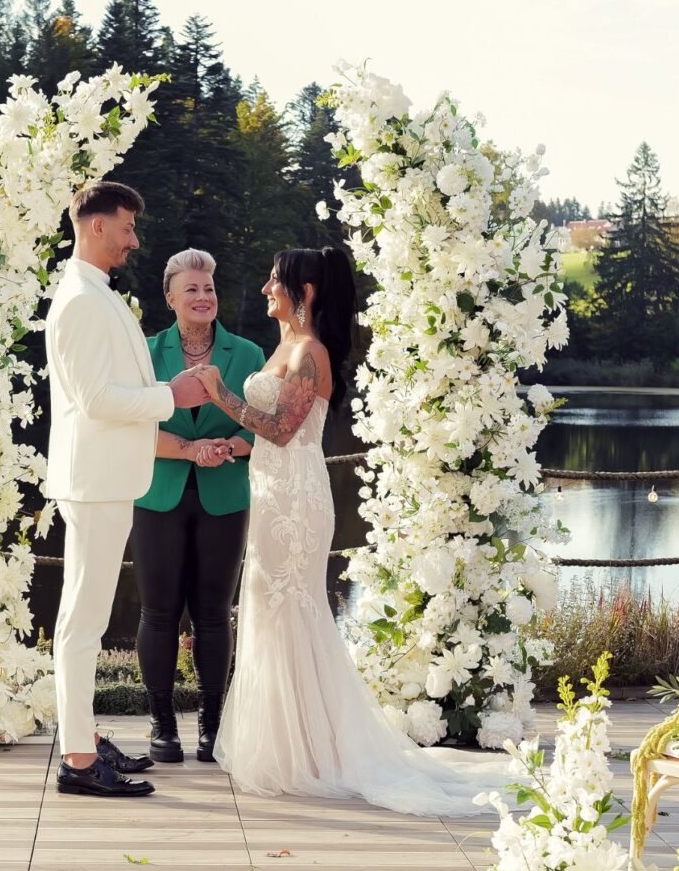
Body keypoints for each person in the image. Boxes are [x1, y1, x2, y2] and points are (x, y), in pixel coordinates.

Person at [195, 245, 499, 816]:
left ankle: (314, 752)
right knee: (266, 608)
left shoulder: (311, 352)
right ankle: (292, 744)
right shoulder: (288, 345)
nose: (265, 289)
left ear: (304, 293)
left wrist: (220, 394)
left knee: (290, 609)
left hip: (295, 498)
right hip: (271, 494)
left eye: (274, 280)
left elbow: (282, 429)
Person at [43, 180, 209, 799]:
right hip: (95, 481)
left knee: (84, 618)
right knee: (82, 623)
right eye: (127, 228)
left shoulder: (94, 293)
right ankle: (80, 763)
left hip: (107, 477)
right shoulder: (82, 301)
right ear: (94, 226)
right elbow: (95, 400)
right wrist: (175, 396)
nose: (134, 240)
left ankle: (81, 738)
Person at [134, 249, 262, 765]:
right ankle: (162, 723)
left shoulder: (249, 354)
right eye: (191, 289)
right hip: (157, 491)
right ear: (170, 298)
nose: (203, 297)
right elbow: (134, 426)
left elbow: (259, 424)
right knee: (159, 611)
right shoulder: (144, 354)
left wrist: (224, 448)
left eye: (208, 288)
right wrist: (188, 450)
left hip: (225, 492)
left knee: (213, 612)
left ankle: (214, 723)